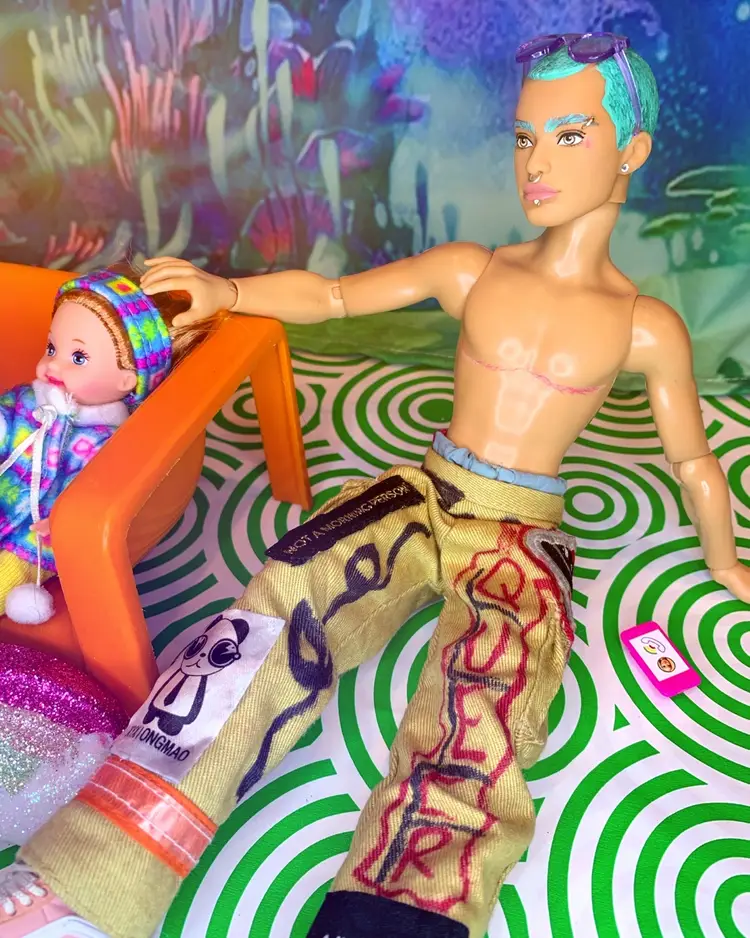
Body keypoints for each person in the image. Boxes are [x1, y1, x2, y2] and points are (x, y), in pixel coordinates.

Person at [2, 34, 748, 938]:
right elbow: (337, 298)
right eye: (524, 137)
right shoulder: (474, 269)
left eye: (570, 136)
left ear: (631, 151)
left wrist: (726, 563)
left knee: (492, 689)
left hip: (520, 529)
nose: (537, 164)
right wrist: (228, 292)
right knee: (281, 600)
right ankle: (96, 871)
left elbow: (694, 461)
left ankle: (394, 919)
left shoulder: (644, 324)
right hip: (426, 490)